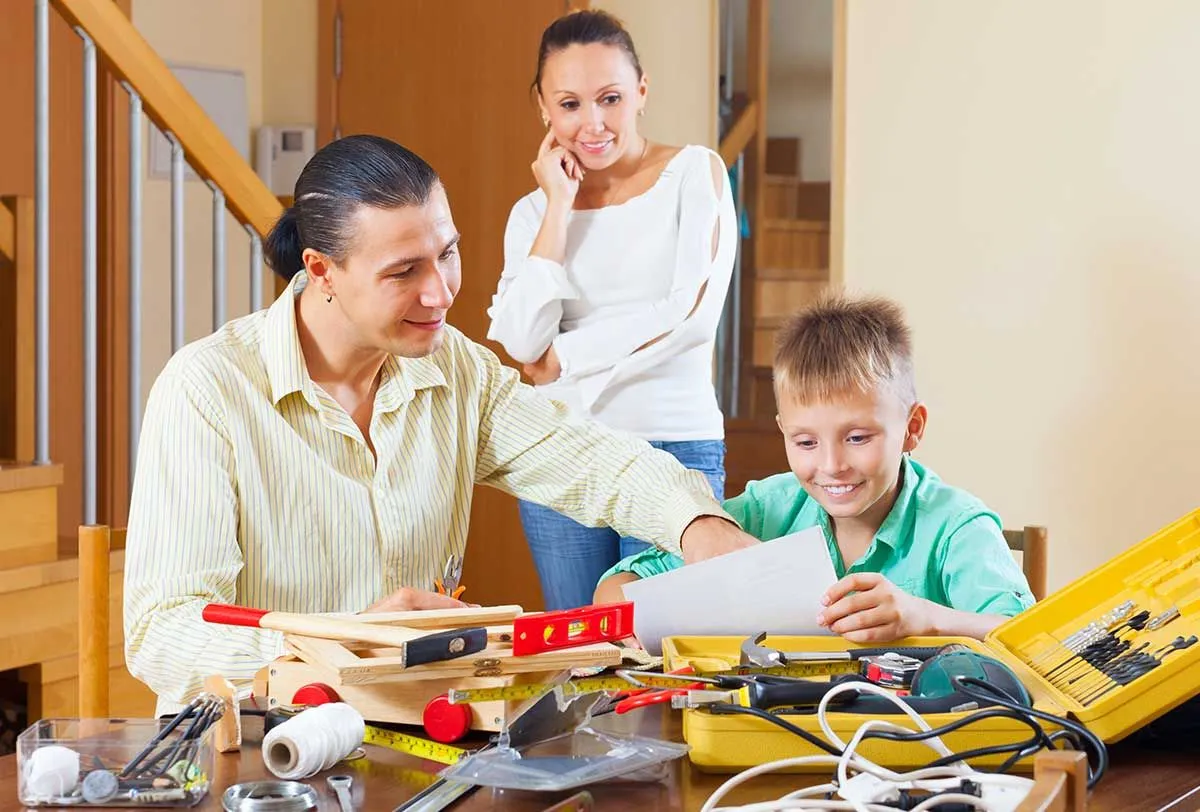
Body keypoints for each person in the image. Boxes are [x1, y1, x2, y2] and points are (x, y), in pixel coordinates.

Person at [124, 135, 758, 714]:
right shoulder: (206, 389)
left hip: (417, 737)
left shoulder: (455, 368)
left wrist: (696, 524)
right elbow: (163, 632)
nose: (441, 292)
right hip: (257, 753)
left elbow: (591, 459)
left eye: (447, 254)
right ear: (321, 271)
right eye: (404, 271)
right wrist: (347, 642)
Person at [595, 293, 1035, 642]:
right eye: (805, 442)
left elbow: (1028, 641)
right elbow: (616, 591)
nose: (831, 466)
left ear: (912, 428)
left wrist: (925, 618)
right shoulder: (763, 512)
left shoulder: (957, 526)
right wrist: (634, 628)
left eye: (858, 438)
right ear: (783, 432)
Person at [486, 10, 737, 610]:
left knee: (663, 644)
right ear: (543, 108)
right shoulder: (532, 213)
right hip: (561, 451)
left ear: (642, 91)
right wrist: (558, 206)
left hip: (674, 443)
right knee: (574, 648)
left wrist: (564, 357)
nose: (592, 123)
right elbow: (521, 341)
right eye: (570, 104)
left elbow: (692, 314)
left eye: (611, 98)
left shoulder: (693, 174)